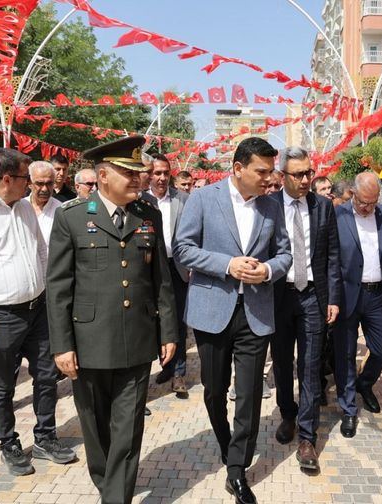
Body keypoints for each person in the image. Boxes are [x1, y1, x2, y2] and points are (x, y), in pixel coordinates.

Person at [48, 136, 177, 504]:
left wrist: (168, 331)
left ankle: (114, 498)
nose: (138, 179)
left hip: (137, 337)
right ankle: (108, 484)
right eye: (128, 172)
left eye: (139, 173)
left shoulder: (149, 215)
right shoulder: (72, 216)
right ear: (103, 176)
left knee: (128, 427)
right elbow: (58, 287)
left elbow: (161, 281)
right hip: (88, 342)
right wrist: (62, 345)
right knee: (93, 425)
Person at [173, 137, 291, 504]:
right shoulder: (203, 199)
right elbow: (183, 248)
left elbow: (285, 253)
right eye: (262, 171)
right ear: (238, 168)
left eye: (271, 171)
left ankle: (237, 469)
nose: (269, 179)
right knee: (213, 389)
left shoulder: (273, 206)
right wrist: (227, 265)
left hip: (255, 313)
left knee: (250, 393)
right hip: (213, 311)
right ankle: (225, 440)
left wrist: (269, 269)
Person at [0, 148, 76, 476]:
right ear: (8, 178)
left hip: (38, 310)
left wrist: (54, 292)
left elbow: (41, 251)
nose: (32, 187)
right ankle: (8, 443)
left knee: (47, 376)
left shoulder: (23, 208)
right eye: (26, 179)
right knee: (2, 384)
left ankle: (45, 437)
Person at [269, 147, 341, 471]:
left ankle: (308, 437)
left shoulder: (324, 207)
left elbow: (333, 257)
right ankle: (287, 414)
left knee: (310, 367)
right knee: (283, 364)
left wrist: (334, 298)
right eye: (298, 174)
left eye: (309, 172)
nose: (305, 180)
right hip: (279, 297)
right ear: (282, 176)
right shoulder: (267, 207)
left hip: (313, 296)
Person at [333, 172, 382, 438]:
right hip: (348, 295)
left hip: (376, 296)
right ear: (352, 193)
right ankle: (349, 410)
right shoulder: (338, 217)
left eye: (373, 202)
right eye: (364, 202)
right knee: (346, 355)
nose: (368, 207)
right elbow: (330, 258)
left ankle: (365, 384)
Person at [145, 154, 191, 396]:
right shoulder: (140, 200)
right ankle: (165, 365)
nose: (162, 177)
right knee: (151, 321)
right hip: (147, 268)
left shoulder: (183, 200)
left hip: (178, 268)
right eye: (157, 173)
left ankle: (179, 373)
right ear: (149, 174)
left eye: (165, 173)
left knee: (178, 322)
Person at [26, 161, 61, 249]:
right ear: (30, 183)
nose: (45, 189)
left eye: (49, 183)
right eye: (40, 184)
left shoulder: (61, 211)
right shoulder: (18, 207)